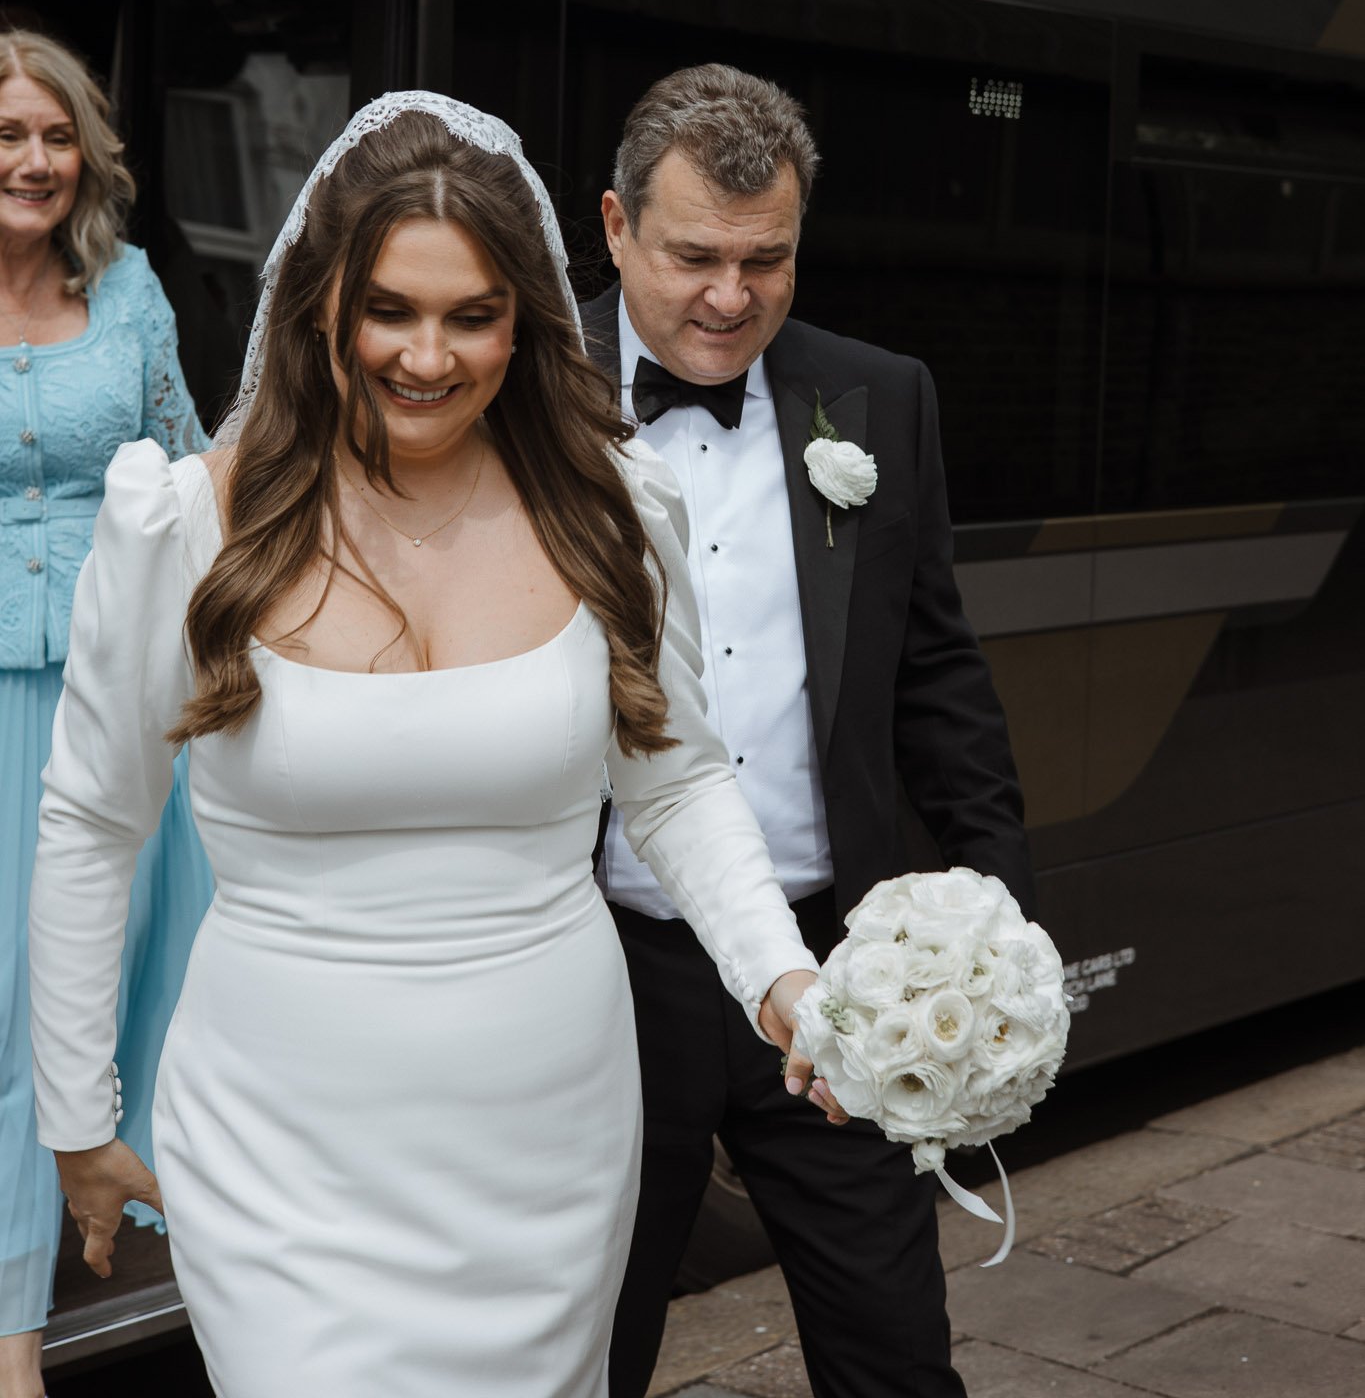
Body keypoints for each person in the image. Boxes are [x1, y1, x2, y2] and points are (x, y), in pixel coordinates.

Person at [27, 93, 845, 1398]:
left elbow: (678, 779)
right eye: (390, 310)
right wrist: (77, 1114)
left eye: (472, 315)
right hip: (277, 1137)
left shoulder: (614, 511)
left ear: (522, 323)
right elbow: (90, 820)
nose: (429, 355)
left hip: (545, 1135)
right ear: (322, 310)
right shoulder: (184, 525)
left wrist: (782, 980)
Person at [584, 63, 1036, 1398]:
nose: (732, 298)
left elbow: (936, 675)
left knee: (893, 1352)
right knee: (588, 1348)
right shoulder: (517, 389)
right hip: (602, 969)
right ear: (613, 229)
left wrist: (999, 926)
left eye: (766, 261)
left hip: (834, 965)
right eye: (694, 259)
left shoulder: (875, 397)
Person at [0, 26, 212, 1398]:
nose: (33, 159)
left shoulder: (130, 294)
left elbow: (195, 474)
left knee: (93, 1002)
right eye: (8, 134)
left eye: (54, 134)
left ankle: (62, 1269)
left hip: (111, 697)